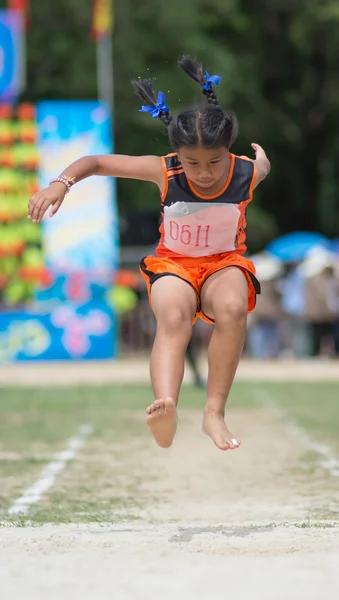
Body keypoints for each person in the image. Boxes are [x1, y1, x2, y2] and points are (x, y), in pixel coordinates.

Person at [27, 56, 270, 451]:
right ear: (178, 155)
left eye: (214, 162)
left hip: (224, 263)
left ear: (229, 151)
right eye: (193, 163)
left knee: (231, 308)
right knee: (173, 318)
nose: (204, 172)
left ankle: (214, 412)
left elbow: (263, 165)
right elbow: (96, 161)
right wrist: (61, 183)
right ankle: (167, 405)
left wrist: (260, 160)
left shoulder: (247, 172)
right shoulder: (165, 170)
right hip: (173, 264)